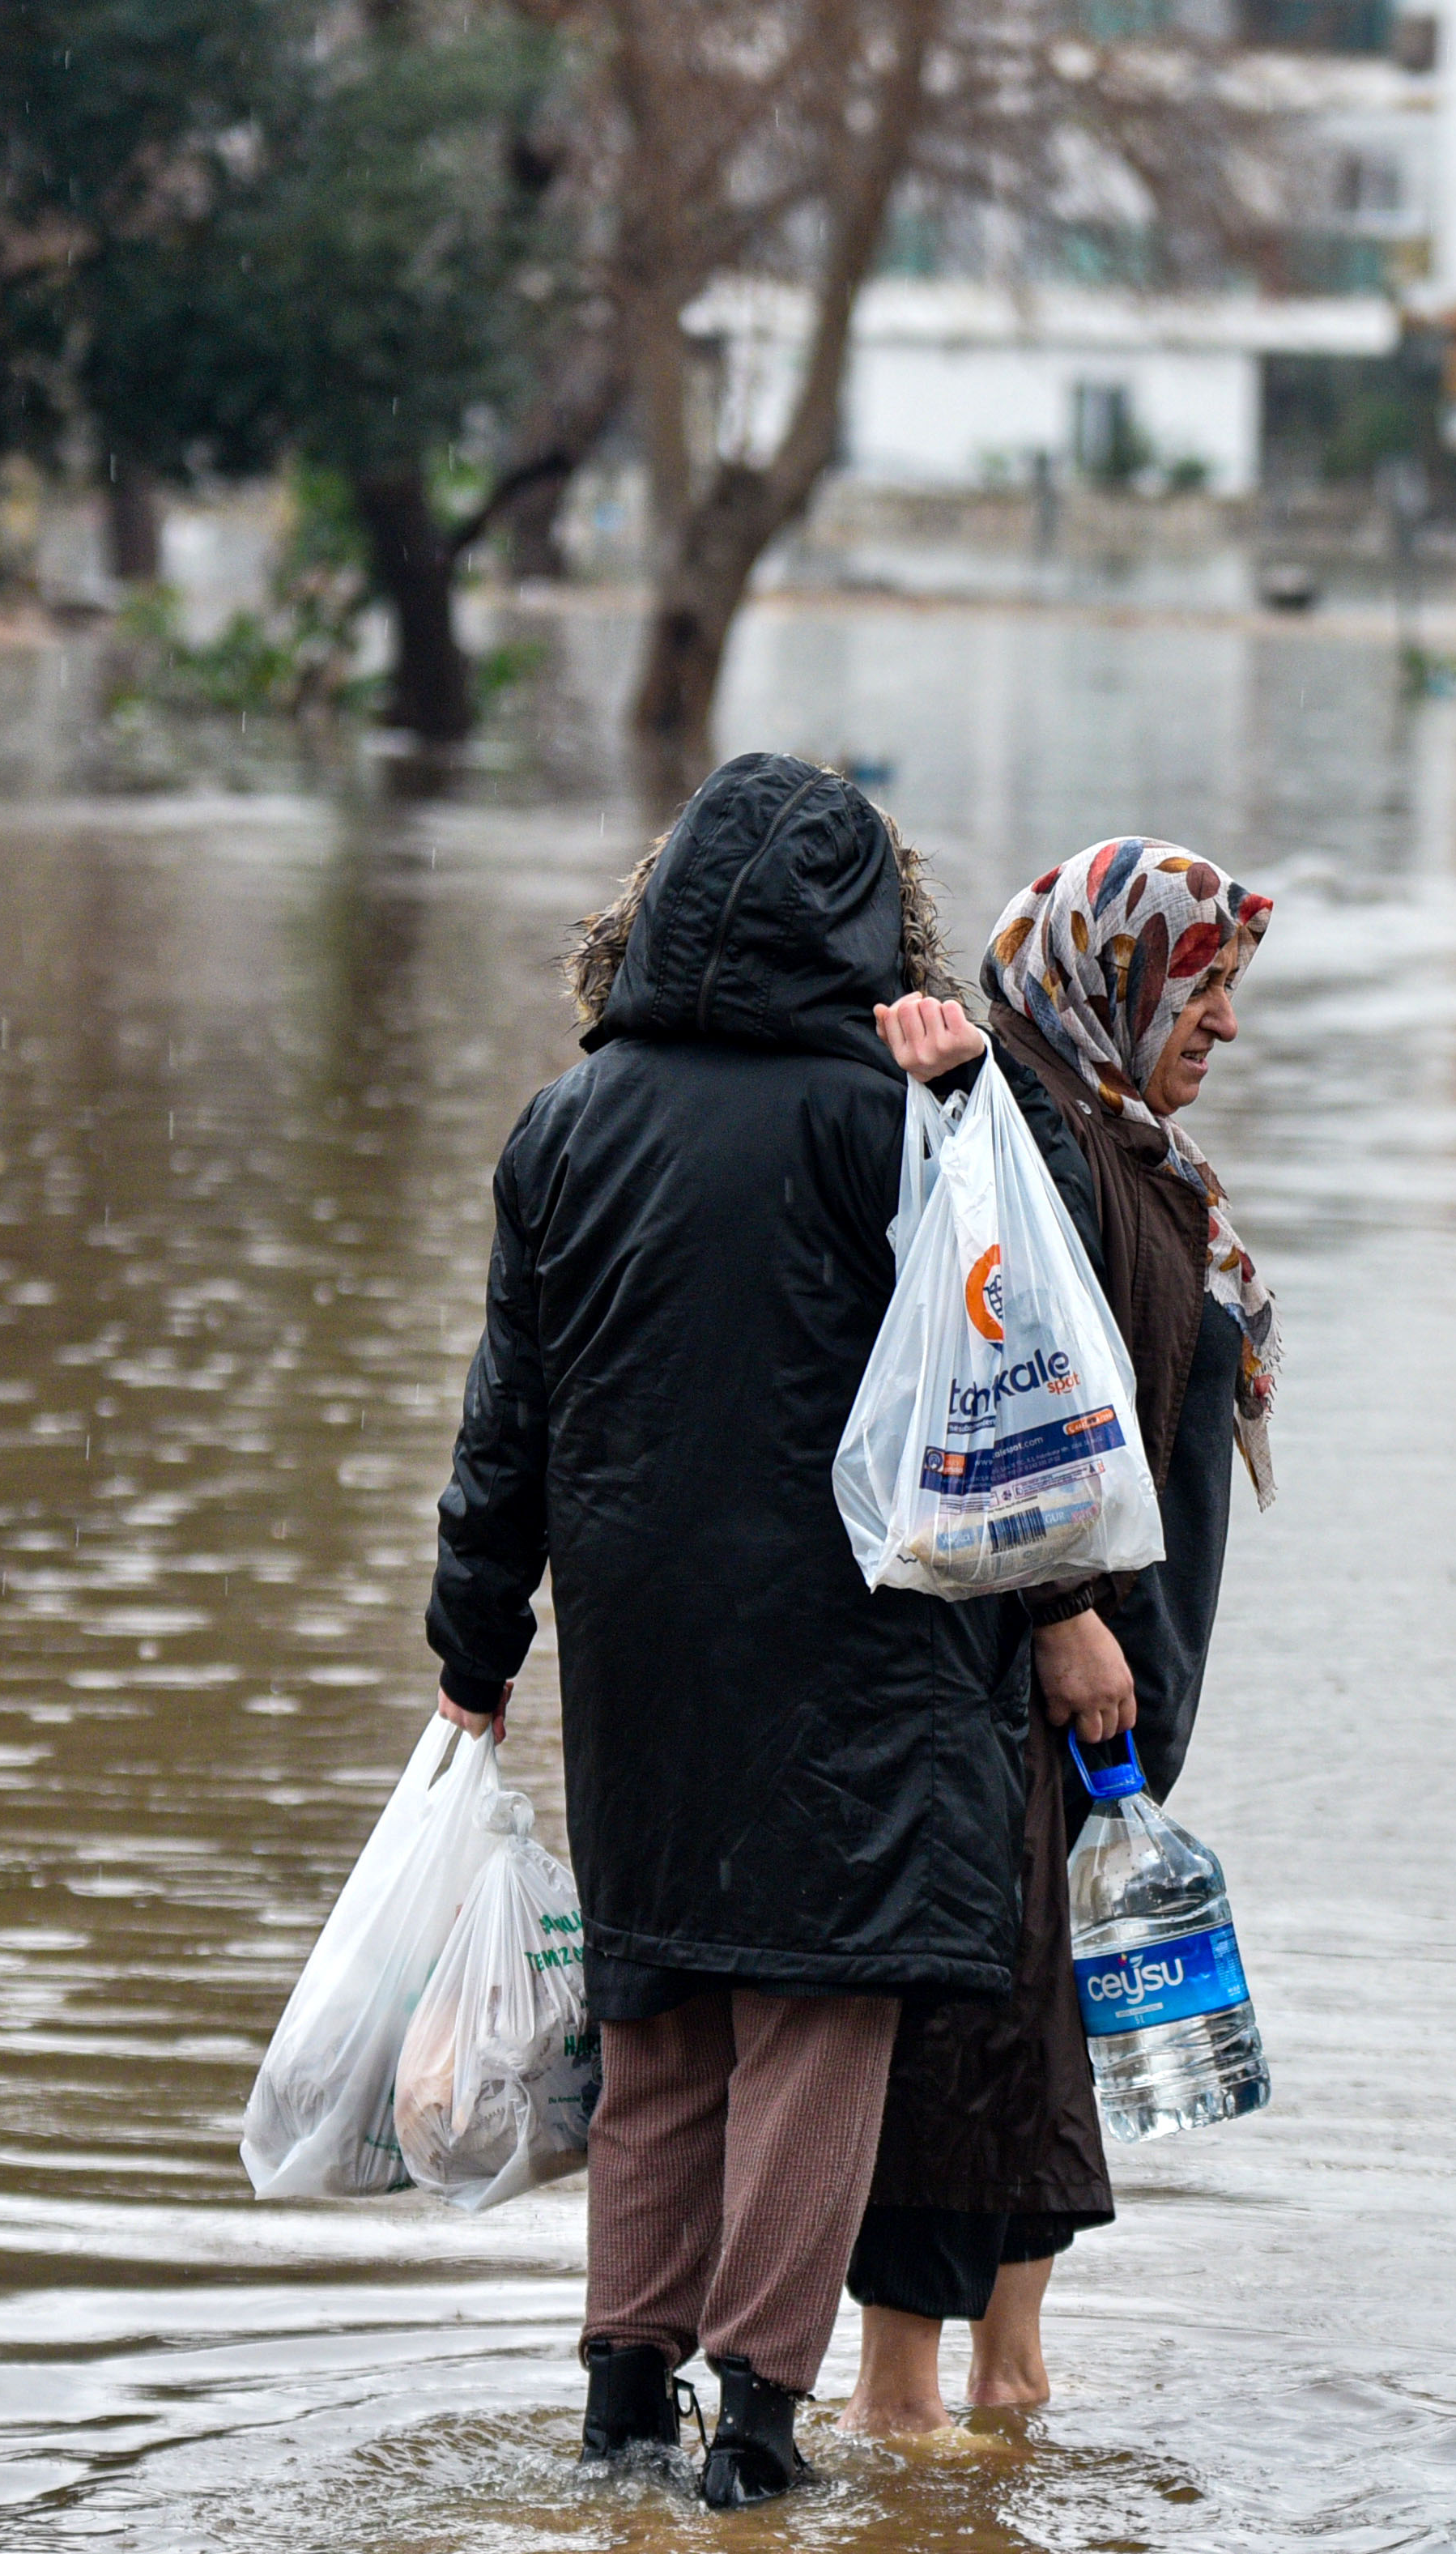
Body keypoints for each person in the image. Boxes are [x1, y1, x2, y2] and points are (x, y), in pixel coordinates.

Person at [422, 753, 1039, 2509]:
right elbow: (1025, 1365)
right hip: (852, 1653)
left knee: (663, 2016)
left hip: (642, 1659)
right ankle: (759, 2427)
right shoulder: (889, 1116)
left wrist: (476, 1640)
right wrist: (968, 1098)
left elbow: (503, 1426)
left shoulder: (568, 1122)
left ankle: (623, 2406)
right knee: (816, 2022)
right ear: (868, 926)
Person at [840, 834, 1283, 2437]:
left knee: (1042, 2061)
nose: (1225, 1022)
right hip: (1017, 1703)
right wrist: (1070, 1611)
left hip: (1101, 1725)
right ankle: (907, 2431)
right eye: (1205, 984)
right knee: (973, 2052)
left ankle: (1004, 2412)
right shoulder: (1018, 1117)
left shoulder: (1121, 1137)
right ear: (1111, 970)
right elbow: (994, 1384)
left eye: (1231, 989)